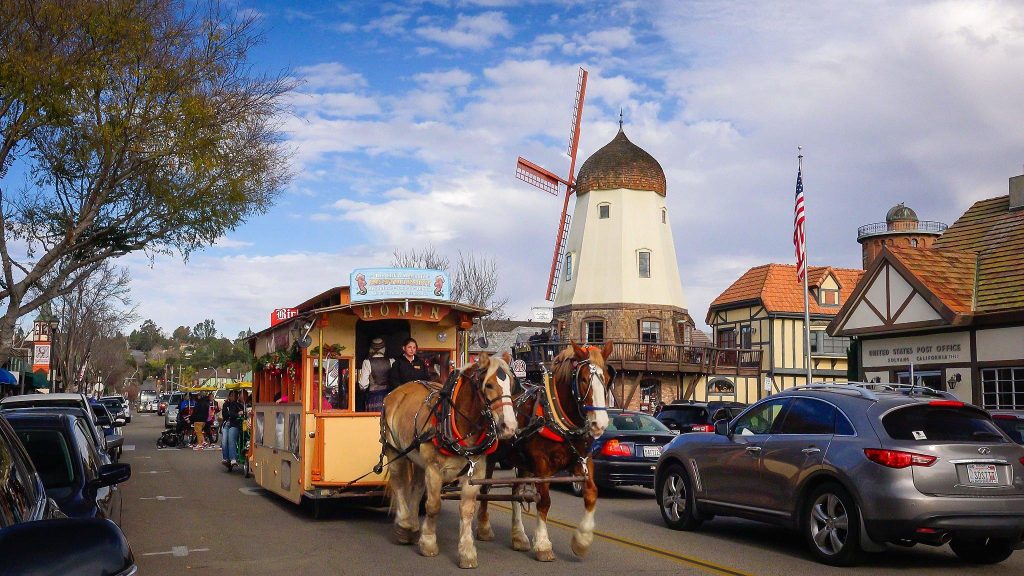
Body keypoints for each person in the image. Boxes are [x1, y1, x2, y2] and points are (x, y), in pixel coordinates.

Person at [359, 337, 393, 412]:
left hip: (373, 397)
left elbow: (363, 385)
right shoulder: (392, 361)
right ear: (384, 348)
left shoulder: (367, 362)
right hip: (390, 397)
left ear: (371, 348)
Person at [221, 390, 243, 467]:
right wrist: (235, 414)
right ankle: (226, 458)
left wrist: (233, 414)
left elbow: (240, 414)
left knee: (231, 438)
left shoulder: (239, 405)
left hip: (235, 425)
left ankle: (233, 458)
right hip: (226, 424)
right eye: (232, 395)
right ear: (229, 396)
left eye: (235, 395)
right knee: (224, 441)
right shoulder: (225, 404)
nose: (234, 397)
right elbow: (225, 415)